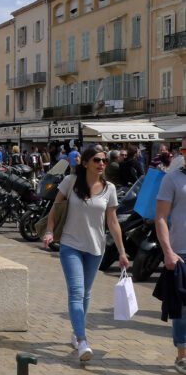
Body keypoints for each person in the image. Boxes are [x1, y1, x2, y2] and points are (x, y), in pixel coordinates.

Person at [43, 146, 127, 362]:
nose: (101, 164)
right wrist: (50, 231)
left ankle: (75, 331)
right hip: (70, 245)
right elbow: (56, 207)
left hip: (96, 247)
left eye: (104, 161)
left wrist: (122, 252)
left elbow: (113, 222)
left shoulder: (109, 189)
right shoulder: (70, 182)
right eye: (97, 160)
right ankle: (82, 340)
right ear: (86, 163)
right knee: (76, 291)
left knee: (86, 293)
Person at [155, 137, 186, 374]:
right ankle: (183, 355)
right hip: (181, 252)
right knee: (182, 307)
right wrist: (168, 251)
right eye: (184, 149)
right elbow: (161, 218)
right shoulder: (172, 179)